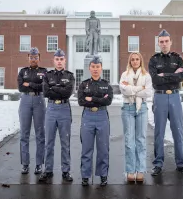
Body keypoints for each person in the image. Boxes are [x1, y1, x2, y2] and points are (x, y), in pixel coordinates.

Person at [148, 29, 183, 177]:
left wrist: (165, 75)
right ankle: (158, 164)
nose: (164, 44)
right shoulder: (154, 60)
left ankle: (181, 164)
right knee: (159, 132)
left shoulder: (178, 58)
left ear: (170, 42)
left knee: (178, 131)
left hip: (174, 97)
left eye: (166, 41)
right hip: (160, 98)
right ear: (158, 43)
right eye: (161, 41)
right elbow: (155, 79)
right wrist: (172, 75)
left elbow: (180, 77)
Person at [39, 49, 75, 182]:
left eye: (61, 59)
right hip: (51, 109)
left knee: (65, 142)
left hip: (64, 109)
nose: (59, 62)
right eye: (57, 59)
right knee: (49, 142)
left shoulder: (70, 76)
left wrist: (54, 88)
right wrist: (59, 89)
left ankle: (66, 171)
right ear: (53, 61)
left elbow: (67, 92)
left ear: (65, 60)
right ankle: (48, 170)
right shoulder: (47, 75)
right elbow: (46, 92)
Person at [78, 55, 113, 187]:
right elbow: (81, 101)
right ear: (89, 68)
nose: (95, 69)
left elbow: (108, 100)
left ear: (101, 68)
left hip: (102, 115)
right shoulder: (84, 84)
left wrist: (91, 98)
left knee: (103, 148)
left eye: (98, 67)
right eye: (93, 67)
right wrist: (99, 98)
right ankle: (85, 176)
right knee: (87, 148)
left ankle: (103, 175)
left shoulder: (106, 84)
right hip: (87, 116)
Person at [119, 52, 152, 182]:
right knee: (129, 141)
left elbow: (148, 92)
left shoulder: (146, 75)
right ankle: (130, 170)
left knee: (141, 140)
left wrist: (131, 89)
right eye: (132, 59)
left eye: (137, 59)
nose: (135, 61)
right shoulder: (124, 75)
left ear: (140, 61)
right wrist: (139, 89)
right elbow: (123, 90)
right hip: (127, 108)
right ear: (130, 61)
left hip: (142, 108)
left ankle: (141, 170)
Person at [17, 47, 47, 175]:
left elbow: (44, 87)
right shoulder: (22, 72)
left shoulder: (44, 71)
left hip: (39, 101)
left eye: (36, 57)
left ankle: (39, 164)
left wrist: (29, 84)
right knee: (24, 133)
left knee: (40, 134)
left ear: (39, 58)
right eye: (31, 57)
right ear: (28, 58)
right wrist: (34, 85)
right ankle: (25, 164)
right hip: (25, 101)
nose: (33, 59)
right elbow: (20, 87)